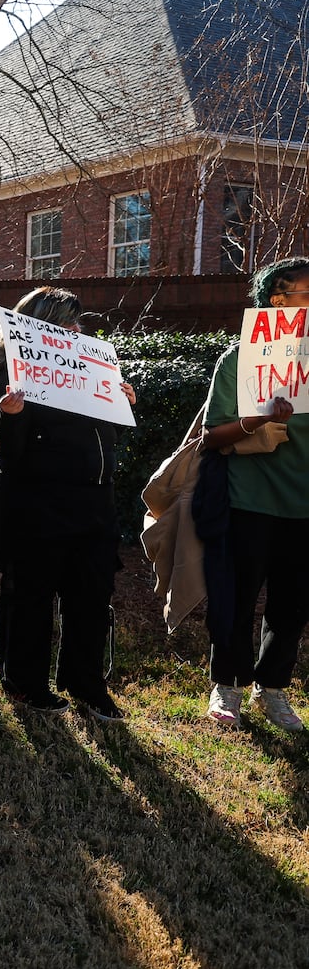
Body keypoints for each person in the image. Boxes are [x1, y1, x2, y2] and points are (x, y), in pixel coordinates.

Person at [0, 286, 136, 720]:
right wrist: (10, 416)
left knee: (91, 596)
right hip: (34, 504)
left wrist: (122, 406)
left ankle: (87, 684)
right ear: (39, 329)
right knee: (30, 596)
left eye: (78, 322)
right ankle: (25, 683)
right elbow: (7, 454)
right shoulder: (11, 372)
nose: (76, 330)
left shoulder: (92, 367)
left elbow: (105, 440)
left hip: (93, 503)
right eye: (66, 323)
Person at [200, 256, 309, 730]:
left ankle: (274, 688)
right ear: (278, 300)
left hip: (304, 506)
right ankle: (227, 684)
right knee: (237, 599)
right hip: (249, 502)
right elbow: (211, 437)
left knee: (293, 606)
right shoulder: (240, 358)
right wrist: (260, 419)